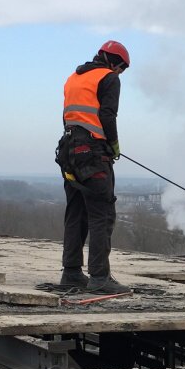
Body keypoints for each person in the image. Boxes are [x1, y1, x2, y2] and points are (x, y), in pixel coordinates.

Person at [55, 40, 131, 293]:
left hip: (69, 151)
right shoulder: (109, 78)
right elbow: (108, 116)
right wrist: (114, 144)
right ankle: (100, 278)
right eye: (122, 69)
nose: (121, 73)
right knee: (102, 215)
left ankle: (72, 273)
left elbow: (68, 117)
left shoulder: (73, 78)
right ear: (116, 63)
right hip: (93, 154)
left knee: (76, 212)